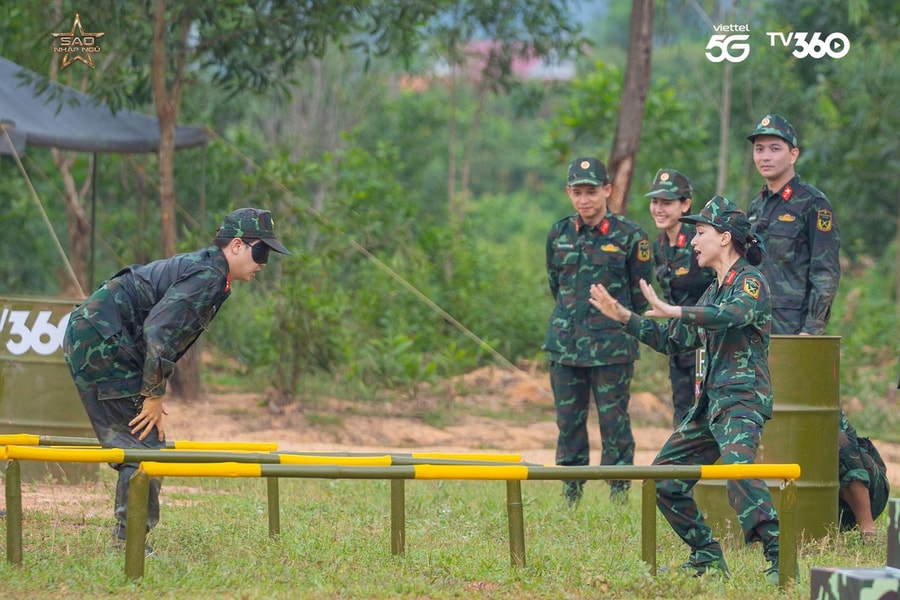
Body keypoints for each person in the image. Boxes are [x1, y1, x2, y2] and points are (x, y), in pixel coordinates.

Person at [62, 207, 290, 551]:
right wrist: (153, 395)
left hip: (101, 336)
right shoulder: (208, 276)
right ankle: (129, 546)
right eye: (261, 251)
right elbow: (160, 330)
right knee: (145, 449)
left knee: (142, 446)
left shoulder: (212, 272)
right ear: (238, 246)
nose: (264, 262)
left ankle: (129, 540)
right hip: (101, 340)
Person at [589, 195, 784, 585]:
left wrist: (676, 309)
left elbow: (733, 316)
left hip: (741, 403)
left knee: (738, 468)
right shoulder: (712, 290)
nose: (693, 241)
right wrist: (626, 317)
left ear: (725, 238)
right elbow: (673, 338)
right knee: (664, 479)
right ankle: (707, 556)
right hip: (709, 408)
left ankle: (780, 558)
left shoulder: (750, 282)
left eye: (700, 232)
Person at [542, 156, 653, 506]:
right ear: (568, 193)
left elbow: (640, 295)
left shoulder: (630, 236)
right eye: (577, 192)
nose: (584, 200)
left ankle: (618, 491)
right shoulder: (559, 233)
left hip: (611, 349)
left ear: (607, 190)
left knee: (614, 421)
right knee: (568, 422)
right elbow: (555, 284)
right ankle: (570, 491)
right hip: (565, 346)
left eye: (591, 191)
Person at [746, 113, 840, 335]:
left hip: (794, 329)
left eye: (775, 149)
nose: (765, 156)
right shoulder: (756, 206)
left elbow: (825, 272)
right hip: (755, 326)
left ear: (793, 154)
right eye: (759, 149)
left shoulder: (813, 203)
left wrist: (812, 328)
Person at [644, 169, 715, 427]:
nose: (659, 209)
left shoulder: (700, 241)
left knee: (707, 414)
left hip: (706, 345)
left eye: (667, 202)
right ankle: (682, 468)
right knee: (682, 414)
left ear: (685, 205)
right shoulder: (659, 246)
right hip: (678, 344)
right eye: (655, 202)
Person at [838, 410, 890, 542]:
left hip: (870, 496)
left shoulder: (824, 410)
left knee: (839, 441)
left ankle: (867, 526)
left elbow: (845, 450)